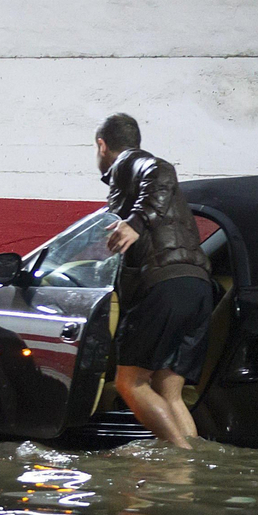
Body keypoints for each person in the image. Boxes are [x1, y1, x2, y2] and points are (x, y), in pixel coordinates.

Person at [96, 113, 213, 449]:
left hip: (162, 285)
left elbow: (160, 170)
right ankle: (194, 465)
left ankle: (180, 460)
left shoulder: (129, 163)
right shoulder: (135, 185)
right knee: (169, 391)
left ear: (102, 145)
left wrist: (135, 221)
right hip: (197, 286)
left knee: (129, 383)